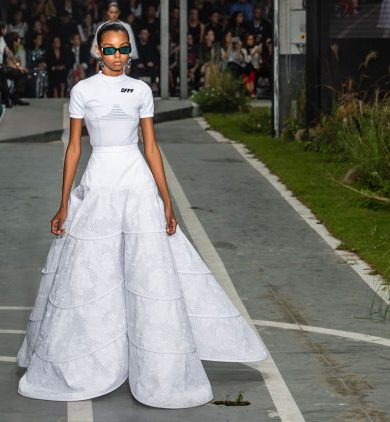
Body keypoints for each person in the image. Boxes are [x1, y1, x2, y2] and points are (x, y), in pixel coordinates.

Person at [16, 21, 268, 406]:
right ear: (97, 51)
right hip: (99, 181)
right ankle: (93, 357)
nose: (117, 56)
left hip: (136, 182)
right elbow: (73, 150)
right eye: (110, 49)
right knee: (91, 269)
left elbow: (151, 148)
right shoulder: (82, 90)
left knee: (145, 268)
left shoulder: (142, 90)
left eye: (122, 48)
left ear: (130, 50)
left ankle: (152, 362)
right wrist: (64, 202)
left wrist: (166, 199)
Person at [91, 2, 138, 74]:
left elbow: (131, 46)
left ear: (119, 13)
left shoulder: (126, 27)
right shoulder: (102, 27)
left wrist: (128, 65)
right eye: (111, 12)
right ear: (107, 13)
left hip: (122, 61)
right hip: (106, 60)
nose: (114, 15)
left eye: (116, 12)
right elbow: (97, 47)